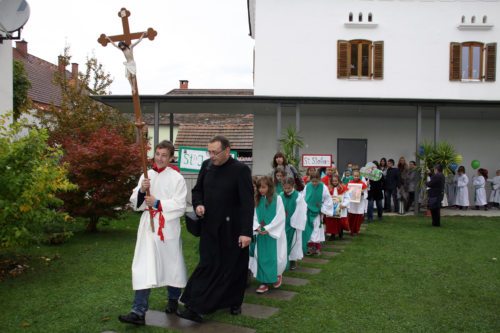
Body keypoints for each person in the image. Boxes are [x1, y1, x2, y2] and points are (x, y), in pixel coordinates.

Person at [179, 136, 254, 322]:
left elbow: (247, 203)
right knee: (208, 265)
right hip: (210, 227)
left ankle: (234, 302)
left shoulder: (241, 170)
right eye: (209, 152)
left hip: (233, 230)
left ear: (227, 150)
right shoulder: (207, 166)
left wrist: (246, 232)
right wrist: (198, 204)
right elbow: (197, 191)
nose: (211, 156)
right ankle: (196, 306)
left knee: (234, 268)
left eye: (215, 152)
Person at [119, 140, 187, 326]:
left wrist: (157, 203)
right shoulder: (146, 175)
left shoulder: (177, 178)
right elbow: (135, 202)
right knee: (145, 265)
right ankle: (138, 311)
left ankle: (173, 299)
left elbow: (180, 205)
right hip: (148, 226)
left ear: (171, 157)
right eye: (158, 154)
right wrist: (142, 189)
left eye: (164, 155)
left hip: (167, 226)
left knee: (171, 264)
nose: (160, 158)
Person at [249, 176, 287, 293]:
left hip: (273, 234)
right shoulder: (257, 199)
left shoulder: (278, 199)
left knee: (274, 258)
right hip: (260, 234)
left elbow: (280, 216)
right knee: (261, 257)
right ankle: (264, 282)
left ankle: (276, 276)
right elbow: (253, 215)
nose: (261, 190)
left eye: (264, 187)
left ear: (270, 187)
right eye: (259, 187)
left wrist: (269, 228)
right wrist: (257, 227)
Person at [280, 177, 307, 270]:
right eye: (285, 188)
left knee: (293, 243)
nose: (286, 190)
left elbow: (301, 210)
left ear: (293, 186)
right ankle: (283, 261)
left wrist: (295, 223)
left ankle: (293, 261)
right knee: (283, 243)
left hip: (294, 224)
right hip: (283, 224)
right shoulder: (280, 196)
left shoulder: (298, 196)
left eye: (289, 188)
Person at [303, 171, 332, 255]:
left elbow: (328, 199)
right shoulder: (307, 186)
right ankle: (309, 246)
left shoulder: (323, 187)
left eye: (316, 181)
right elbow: (303, 197)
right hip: (308, 211)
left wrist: (322, 207)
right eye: (313, 181)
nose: (315, 183)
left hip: (318, 212)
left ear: (319, 180)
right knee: (308, 228)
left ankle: (317, 247)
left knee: (317, 229)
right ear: (310, 180)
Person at [324, 175, 350, 240]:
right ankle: (332, 234)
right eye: (333, 181)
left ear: (338, 181)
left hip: (341, 207)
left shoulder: (343, 188)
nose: (334, 182)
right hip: (331, 208)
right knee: (332, 221)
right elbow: (326, 197)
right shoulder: (328, 188)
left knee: (340, 221)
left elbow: (347, 198)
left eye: (336, 181)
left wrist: (344, 204)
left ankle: (340, 232)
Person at [347, 170, 368, 235]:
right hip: (352, 203)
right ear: (353, 176)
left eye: (357, 176)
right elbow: (347, 192)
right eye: (355, 176)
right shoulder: (350, 183)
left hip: (359, 203)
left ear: (359, 176)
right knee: (351, 217)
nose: (356, 177)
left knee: (358, 217)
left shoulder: (362, 184)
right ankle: (351, 230)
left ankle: (357, 229)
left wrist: (362, 193)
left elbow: (366, 194)